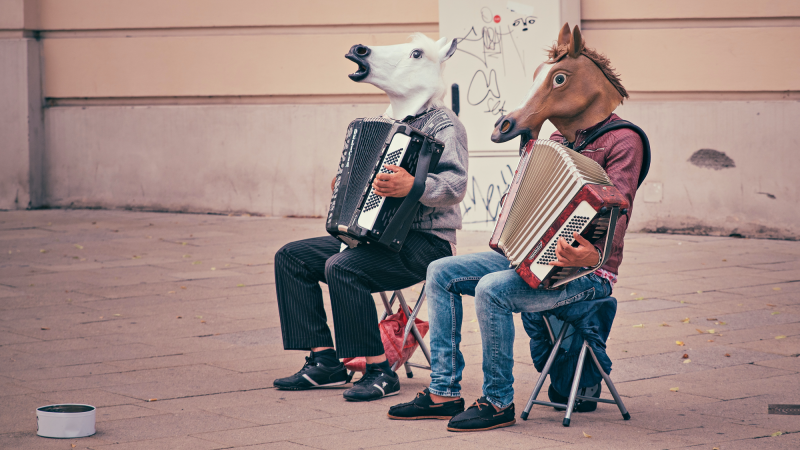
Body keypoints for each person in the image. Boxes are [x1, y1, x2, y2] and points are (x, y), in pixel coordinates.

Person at [388, 24, 645, 430]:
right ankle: (443, 391)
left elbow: (618, 207)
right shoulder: (557, 141)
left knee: (492, 290)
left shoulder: (624, 140)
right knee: (440, 272)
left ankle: (497, 402)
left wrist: (591, 254)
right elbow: (528, 196)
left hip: (590, 272)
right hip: (531, 259)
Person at [273, 34, 468, 402]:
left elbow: (455, 186)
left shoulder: (445, 124)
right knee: (291, 257)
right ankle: (323, 360)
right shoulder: (385, 121)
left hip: (426, 244)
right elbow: (361, 175)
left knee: (343, 267)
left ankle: (380, 371)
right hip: (374, 237)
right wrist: (344, 184)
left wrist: (414, 186)